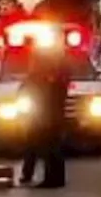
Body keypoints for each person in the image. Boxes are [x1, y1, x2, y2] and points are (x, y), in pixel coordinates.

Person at [20, 52, 71, 188]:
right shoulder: (50, 79)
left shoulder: (50, 80)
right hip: (45, 118)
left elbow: (50, 98)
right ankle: (37, 176)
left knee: (50, 149)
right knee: (45, 148)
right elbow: (24, 90)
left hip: (46, 120)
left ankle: (51, 179)